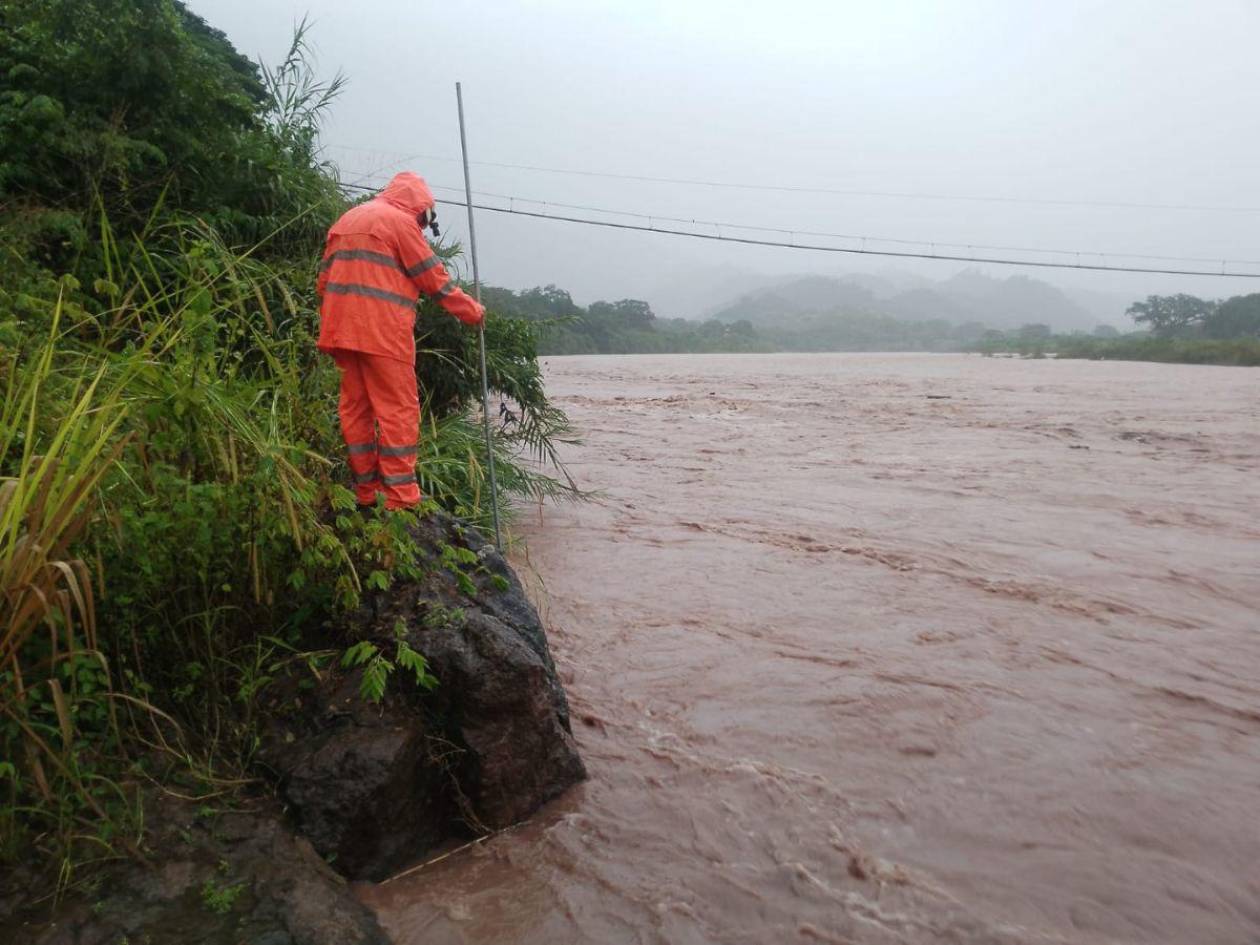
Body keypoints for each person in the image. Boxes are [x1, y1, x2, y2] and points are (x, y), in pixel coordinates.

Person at [316, 171, 484, 510]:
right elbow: (433, 279)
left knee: (355, 411)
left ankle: (366, 493)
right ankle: (400, 498)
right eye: (424, 219)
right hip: (382, 335)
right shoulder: (399, 222)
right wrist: (473, 312)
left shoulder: (348, 219)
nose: (422, 226)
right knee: (398, 413)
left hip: (339, 332)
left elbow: (323, 281)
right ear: (420, 207)